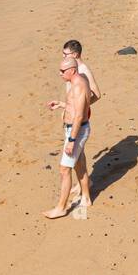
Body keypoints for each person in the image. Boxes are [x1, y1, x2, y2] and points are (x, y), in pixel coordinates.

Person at [44, 57, 93, 219]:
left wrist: (72, 141)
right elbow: (79, 106)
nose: (60, 74)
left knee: (64, 169)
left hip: (76, 131)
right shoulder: (79, 80)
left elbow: (79, 115)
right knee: (79, 164)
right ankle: (85, 198)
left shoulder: (78, 85)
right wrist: (61, 104)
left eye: (62, 71)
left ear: (72, 70)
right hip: (77, 130)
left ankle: (61, 208)